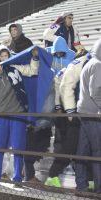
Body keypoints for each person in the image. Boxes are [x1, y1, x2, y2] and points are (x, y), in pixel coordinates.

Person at [24, 36, 75, 183]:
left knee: (56, 139)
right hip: (45, 106)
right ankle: (30, 174)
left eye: (61, 53)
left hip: (62, 105)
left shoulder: (71, 57)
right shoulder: (44, 56)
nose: (58, 56)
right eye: (56, 53)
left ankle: (45, 174)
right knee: (36, 137)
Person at [44, 47, 92, 188]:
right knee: (69, 146)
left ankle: (85, 179)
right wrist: (66, 110)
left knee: (80, 147)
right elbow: (62, 88)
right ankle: (53, 176)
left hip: (70, 112)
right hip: (70, 114)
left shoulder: (69, 67)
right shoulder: (75, 67)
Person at [75, 38, 101, 194]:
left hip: (84, 111)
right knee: (98, 151)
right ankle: (99, 189)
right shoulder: (98, 65)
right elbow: (96, 91)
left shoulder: (91, 63)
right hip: (92, 114)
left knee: (83, 150)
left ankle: (81, 185)